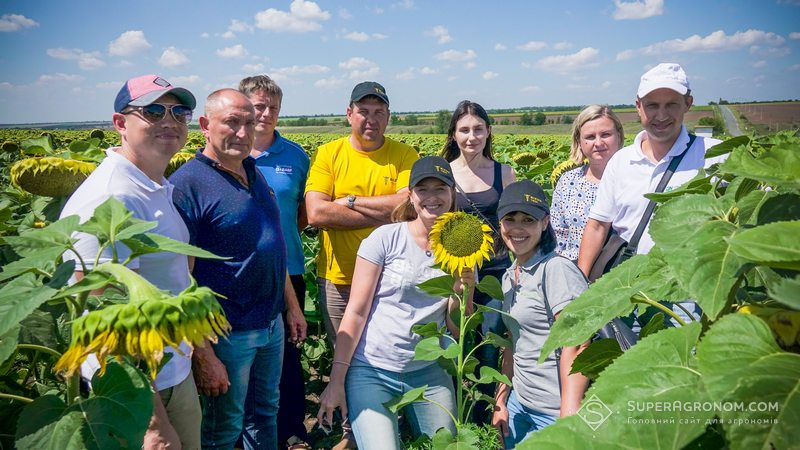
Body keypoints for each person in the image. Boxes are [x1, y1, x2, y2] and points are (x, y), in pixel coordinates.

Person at [60, 74, 201, 449]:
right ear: (120, 123)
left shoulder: (152, 186)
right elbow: (101, 318)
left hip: (168, 372)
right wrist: (153, 423)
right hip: (139, 391)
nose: (169, 121)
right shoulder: (112, 199)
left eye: (179, 112)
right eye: (153, 111)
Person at [170, 89, 307, 450]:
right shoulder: (188, 185)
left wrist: (290, 307)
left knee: (266, 413)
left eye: (249, 123)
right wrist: (203, 354)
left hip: (270, 323)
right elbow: (180, 280)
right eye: (232, 122)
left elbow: (274, 247)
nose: (243, 133)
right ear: (205, 125)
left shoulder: (253, 171)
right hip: (228, 332)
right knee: (224, 426)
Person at [316, 156, 474, 449]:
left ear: (452, 194)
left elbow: (456, 326)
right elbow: (356, 311)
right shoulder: (385, 239)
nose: (432, 197)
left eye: (440, 188)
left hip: (430, 371)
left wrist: (463, 291)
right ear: (411, 195)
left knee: (447, 444)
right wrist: (336, 380)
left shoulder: (463, 247)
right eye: (422, 189)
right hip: (372, 370)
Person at [305, 81, 419, 448]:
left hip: (391, 279)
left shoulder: (405, 154)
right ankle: (353, 433)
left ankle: (388, 424)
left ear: (388, 116)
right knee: (347, 356)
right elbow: (316, 213)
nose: (371, 119)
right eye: (364, 111)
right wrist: (381, 210)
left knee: (389, 353)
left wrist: (348, 201)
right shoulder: (329, 153)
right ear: (349, 114)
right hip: (339, 278)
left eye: (379, 112)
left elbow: (405, 210)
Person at [576, 63, 725, 323]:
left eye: (671, 104)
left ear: (688, 104)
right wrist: (579, 286)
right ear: (638, 106)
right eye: (652, 105)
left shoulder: (715, 155)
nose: (661, 115)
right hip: (626, 289)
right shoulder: (622, 161)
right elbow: (598, 224)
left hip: (687, 293)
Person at [238, 75, 311, 450]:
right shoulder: (227, 152)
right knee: (239, 354)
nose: (265, 114)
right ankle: (240, 432)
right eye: (258, 107)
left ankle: (291, 429)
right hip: (235, 273)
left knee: (287, 354)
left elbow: (301, 213)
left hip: (289, 269)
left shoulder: (296, 156)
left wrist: (277, 243)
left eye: (273, 108)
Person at [491, 180, 590, 448]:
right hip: (519, 405)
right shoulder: (509, 276)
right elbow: (513, 343)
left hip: (554, 410)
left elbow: (578, 343)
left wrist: (569, 415)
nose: (518, 228)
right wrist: (501, 399)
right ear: (500, 224)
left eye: (528, 220)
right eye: (510, 220)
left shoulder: (556, 269)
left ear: (545, 223)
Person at [440, 100, 515, 423]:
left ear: (488, 132)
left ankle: (483, 418)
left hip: (494, 270)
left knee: (488, 341)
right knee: (452, 341)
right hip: (452, 268)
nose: (472, 136)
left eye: (478, 129)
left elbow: (513, 223)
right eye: (464, 130)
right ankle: (450, 409)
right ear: (454, 134)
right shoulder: (443, 173)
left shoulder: (504, 172)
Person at [551, 105, 624, 260]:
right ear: (579, 141)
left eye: (605, 134)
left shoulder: (636, 178)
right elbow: (557, 236)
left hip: (624, 275)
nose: (598, 143)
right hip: (573, 274)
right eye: (590, 137)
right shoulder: (568, 181)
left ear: (619, 135)